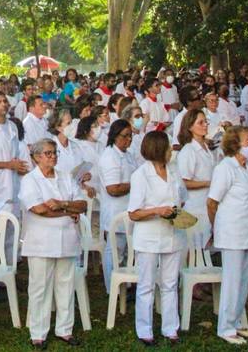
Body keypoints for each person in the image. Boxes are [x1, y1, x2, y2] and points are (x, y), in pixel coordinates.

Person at [19, 138, 87, 349]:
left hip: (66, 238)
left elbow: (83, 204)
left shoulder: (65, 177)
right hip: (41, 240)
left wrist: (63, 204)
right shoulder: (30, 180)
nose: (53, 156)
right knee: (40, 287)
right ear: (37, 157)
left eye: (55, 152)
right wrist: (68, 212)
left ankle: (64, 330)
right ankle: (38, 333)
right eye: (48, 153)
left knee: (65, 285)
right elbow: (39, 209)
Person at [128, 131, 187, 346]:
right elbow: (134, 212)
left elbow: (183, 197)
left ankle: (171, 328)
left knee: (170, 283)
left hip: (173, 234)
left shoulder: (173, 170)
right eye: (168, 147)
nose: (171, 150)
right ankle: (145, 330)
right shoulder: (141, 175)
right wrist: (157, 211)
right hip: (149, 236)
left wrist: (176, 211)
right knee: (147, 284)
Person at [207, 126, 248, 345]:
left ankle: (237, 321)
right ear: (235, 144)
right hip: (232, 231)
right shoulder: (225, 168)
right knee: (232, 279)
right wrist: (216, 227)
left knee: (245, 278)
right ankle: (226, 327)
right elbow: (212, 202)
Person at [97, 120, 137, 292]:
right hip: (116, 210)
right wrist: (136, 184)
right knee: (114, 251)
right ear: (115, 136)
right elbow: (113, 189)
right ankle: (111, 288)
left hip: (128, 209)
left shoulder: (127, 154)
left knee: (127, 251)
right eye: (125, 136)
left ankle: (126, 285)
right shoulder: (109, 157)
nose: (129, 139)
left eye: (130, 136)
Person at [176, 109, 216, 246]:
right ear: (190, 127)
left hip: (207, 204)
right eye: (200, 122)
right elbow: (183, 182)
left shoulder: (206, 147)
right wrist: (208, 183)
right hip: (195, 207)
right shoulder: (188, 151)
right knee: (194, 249)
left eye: (206, 122)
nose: (205, 125)